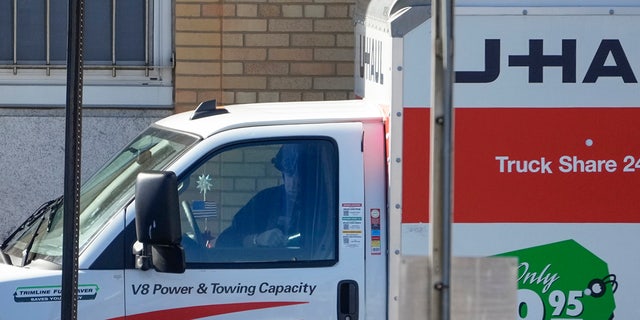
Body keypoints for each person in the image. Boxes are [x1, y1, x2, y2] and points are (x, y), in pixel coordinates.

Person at [215, 143, 305, 248]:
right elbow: (225, 241)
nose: (294, 183)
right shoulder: (266, 201)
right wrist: (257, 239)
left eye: (300, 175)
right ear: (283, 174)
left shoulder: (323, 204)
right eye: (290, 174)